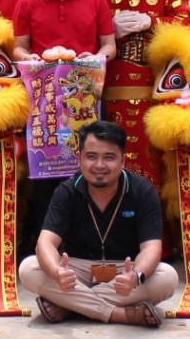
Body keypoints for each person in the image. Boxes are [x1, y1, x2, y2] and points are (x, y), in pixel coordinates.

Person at [17, 121, 176, 328]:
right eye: (91, 156)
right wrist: (58, 273)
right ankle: (121, 314)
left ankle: (69, 306)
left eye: (109, 157)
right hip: (76, 271)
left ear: (123, 160)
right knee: (29, 268)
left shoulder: (142, 191)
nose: (99, 165)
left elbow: (151, 247)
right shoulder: (66, 191)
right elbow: (45, 243)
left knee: (167, 277)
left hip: (123, 271)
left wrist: (135, 277)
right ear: (79, 158)